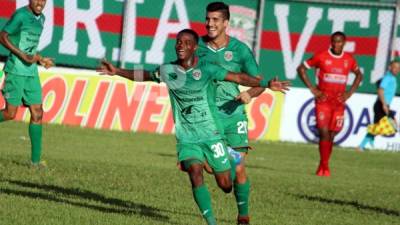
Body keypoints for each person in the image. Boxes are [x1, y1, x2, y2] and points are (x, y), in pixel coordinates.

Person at [97, 29, 289, 225]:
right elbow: (145, 74)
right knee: (195, 173)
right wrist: (117, 71)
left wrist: (265, 84)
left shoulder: (208, 69)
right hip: (187, 137)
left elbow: (239, 78)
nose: (181, 45)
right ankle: (211, 222)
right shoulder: (169, 71)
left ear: (195, 47)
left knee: (225, 185)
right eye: (179, 42)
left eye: (187, 42)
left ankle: (230, 158)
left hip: (212, 134)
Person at [197, 3, 287, 224]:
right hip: (206, 117)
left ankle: (243, 216)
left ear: (226, 23)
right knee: (217, 176)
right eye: (208, 19)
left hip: (233, 115)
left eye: (216, 20)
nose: (210, 23)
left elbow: (258, 82)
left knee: (238, 167)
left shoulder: (240, 50)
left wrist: (250, 94)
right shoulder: (196, 46)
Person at [297, 31, 363, 177]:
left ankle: (323, 165)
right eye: (334, 41)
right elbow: (301, 69)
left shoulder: (349, 59)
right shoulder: (321, 56)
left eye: (339, 42)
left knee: (332, 134)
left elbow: (359, 75)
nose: (336, 44)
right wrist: (313, 89)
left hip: (338, 103)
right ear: (331, 42)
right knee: (324, 133)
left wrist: (349, 93)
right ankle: (325, 167)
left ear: (344, 43)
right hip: (323, 101)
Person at [0, 0, 54, 167]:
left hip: (31, 72)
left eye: (43, 0)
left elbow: (29, 48)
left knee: (37, 112)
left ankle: (35, 162)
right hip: (16, 70)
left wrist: (40, 59)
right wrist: (21, 55)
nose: (40, 3)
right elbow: (2, 36)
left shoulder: (42, 19)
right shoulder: (21, 15)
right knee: (10, 114)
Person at [357, 61, 399, 151]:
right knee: (392, 125)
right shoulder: (388, 78)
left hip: (383, 105)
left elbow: (378, 83)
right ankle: (362, 145)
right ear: (390, 67)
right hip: (381, 105)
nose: (397, 70)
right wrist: (384, 104)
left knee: (379, 126)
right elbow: (380, 90)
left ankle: (367, 141)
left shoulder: (391, 78)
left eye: (398, 68)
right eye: (395, 67)